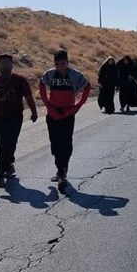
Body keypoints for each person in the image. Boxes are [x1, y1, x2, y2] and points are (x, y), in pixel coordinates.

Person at [0, 54, 38, 188]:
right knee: (2, 145)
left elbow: (29, 97)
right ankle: (9, 164)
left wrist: (34, 112)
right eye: (2, 63)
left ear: (12, 65)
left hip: (15, 117)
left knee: (10, 144)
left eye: (8, 63)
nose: (5, 66)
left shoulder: (20, 80)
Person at [38, 50, 91, 190]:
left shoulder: (75, 75)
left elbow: (87, 86)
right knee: (55, 144)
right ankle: (59, 169)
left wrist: (77, 106)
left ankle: (63, 172)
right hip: (53, 114)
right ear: (54, 64)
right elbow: (41, 85)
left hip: (67, 115)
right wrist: (48, 106)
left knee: (66, 143)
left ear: (68, 63)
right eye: (58, 64)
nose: (61, 67)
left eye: (63, 63)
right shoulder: (50, 74)